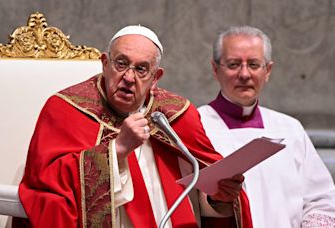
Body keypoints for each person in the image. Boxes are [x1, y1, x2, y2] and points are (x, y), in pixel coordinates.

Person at [13, 25, 253, 228]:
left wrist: (218, 199)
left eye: (141, 69)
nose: (129, 77)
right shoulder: (66, 108)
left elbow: (198, 188)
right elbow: (44, 185)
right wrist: (116, 150)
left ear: (156, 77)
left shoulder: (175, 114)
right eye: (121, 64)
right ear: (105, 63)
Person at [198, 25, 335, 228]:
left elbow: (321, 199)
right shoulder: (196, 125)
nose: (244, 74)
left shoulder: (290, 129)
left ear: (268, 70)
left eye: (253, 64)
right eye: (234, 64)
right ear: (215, 69)